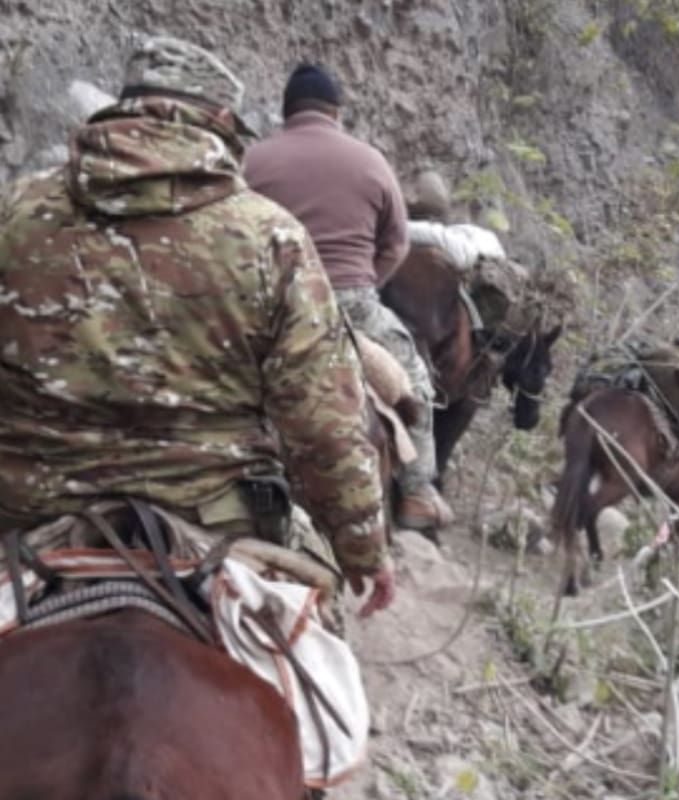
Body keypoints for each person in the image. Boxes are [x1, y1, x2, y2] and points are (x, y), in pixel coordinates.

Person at [0, 36, 394, 618]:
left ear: (120, 108)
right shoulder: (271, 238)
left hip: (27, 509)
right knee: (319, 660)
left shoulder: (15, 210)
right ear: (221, 123)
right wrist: (362, 548)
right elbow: (321, 426)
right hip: (216, 518)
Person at [244, 63, 452, 532]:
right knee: (414, 378)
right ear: (336, 112)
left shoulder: (253, 160)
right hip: (350, 305)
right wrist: (366, 283)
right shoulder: (372, 161)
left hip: (271, 305)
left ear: (286, 111)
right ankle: (418, 490)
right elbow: (396, 244)